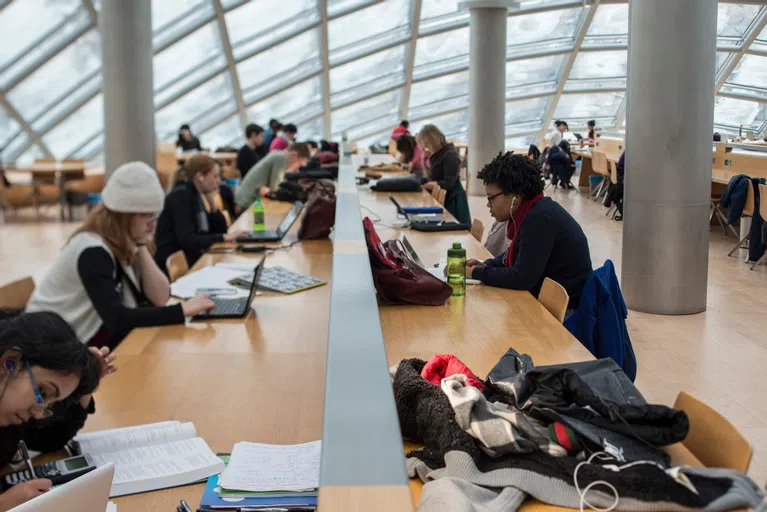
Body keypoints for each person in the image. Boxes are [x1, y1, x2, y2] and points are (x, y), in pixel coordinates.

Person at [27, 162, 215, 349]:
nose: (152, 224)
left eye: (154, 216)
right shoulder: (92, 251)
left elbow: (160, 298)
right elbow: (118, 318)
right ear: (122, 216)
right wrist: (181, 310)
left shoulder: (123, 241)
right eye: (145, 216)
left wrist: (140, 245)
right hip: (48, 345)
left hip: (83, 340)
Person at [0, 312, 109, 511]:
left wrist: (84, 391)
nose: (39, 413)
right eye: (43, 391)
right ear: (11, 362)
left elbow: (47, 439)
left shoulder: (9, 411)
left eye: (51, 404)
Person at [467, 152, 592, 309]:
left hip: (569, 314)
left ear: (516, 198)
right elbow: (517, 254)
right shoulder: (533, 211)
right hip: (547, 301)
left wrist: (475, 273)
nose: (488, 205)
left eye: (491, 198)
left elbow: (521, 278)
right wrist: (486, 265)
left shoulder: (540, 219)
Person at [155, 155, 249, 274]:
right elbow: (187, 239)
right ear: (200, 177)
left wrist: (212, 203)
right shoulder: (181, 196)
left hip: (193, 258)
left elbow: (220, 230)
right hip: (176, 264)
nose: (219, 181)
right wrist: (223, 237)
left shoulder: (196, 195)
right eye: (215, 176)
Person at [416, 125, 471, 224]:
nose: (424, 148)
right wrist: (424, 161)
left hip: (453, 200)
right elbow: (430, 177)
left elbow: (449, 184)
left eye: (425, 144)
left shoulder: (449, 155)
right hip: (444, 197)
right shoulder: (437, 153)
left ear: (432, 141)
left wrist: (433, 184)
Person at [235, 143, 311, 209]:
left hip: (243, 198)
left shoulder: (277, 153)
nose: (297, 167)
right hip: (247, 203)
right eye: (299, 163)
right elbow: (275, 188)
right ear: (295, 155)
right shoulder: (281, 158)